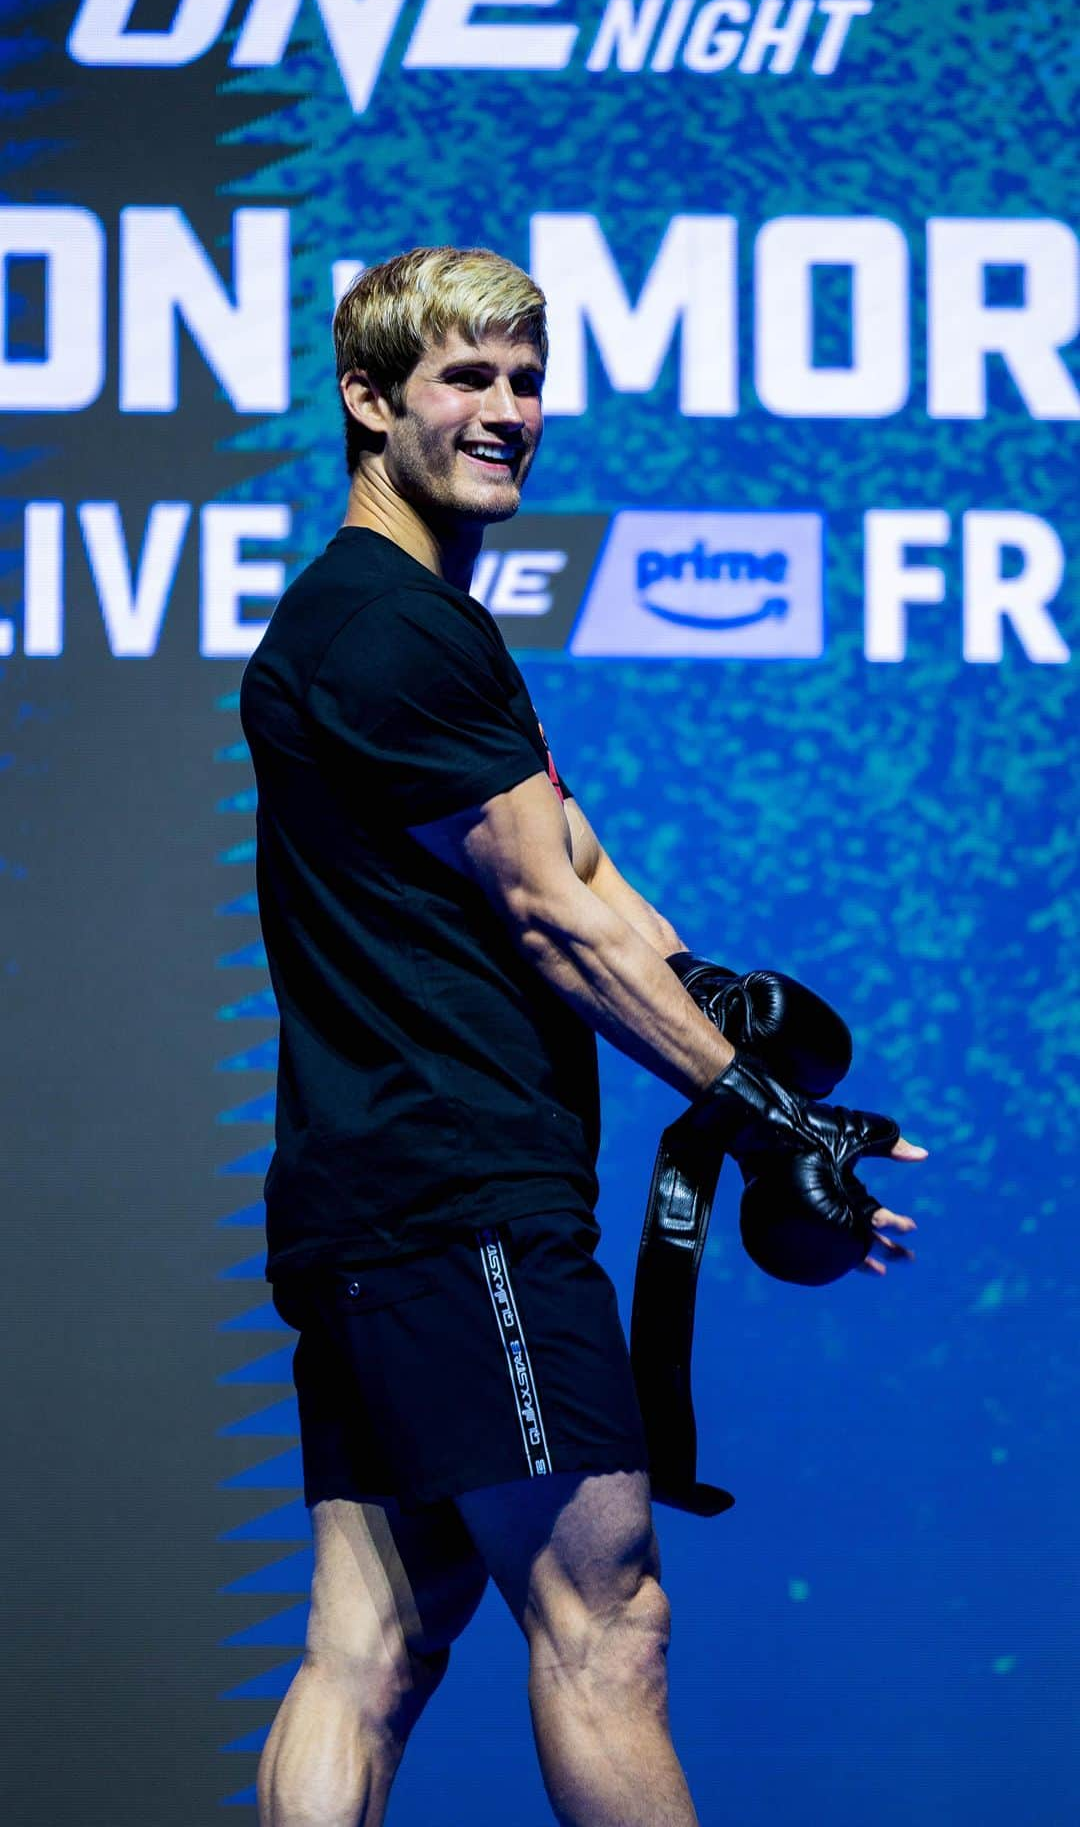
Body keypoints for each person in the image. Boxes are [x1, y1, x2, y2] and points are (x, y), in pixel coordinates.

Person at [239, 245, 924, 1827]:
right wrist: (766, 1120)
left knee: (374, 1642)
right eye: (465, 379)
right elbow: (555, 925)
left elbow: (590, 875)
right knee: (606, 1621)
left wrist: (751, 1041)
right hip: (466, 1196)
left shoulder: (388, 624)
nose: (507, 411)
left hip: (369, 1206)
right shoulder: (389, 628)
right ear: (368, 400)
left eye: (526, 378)